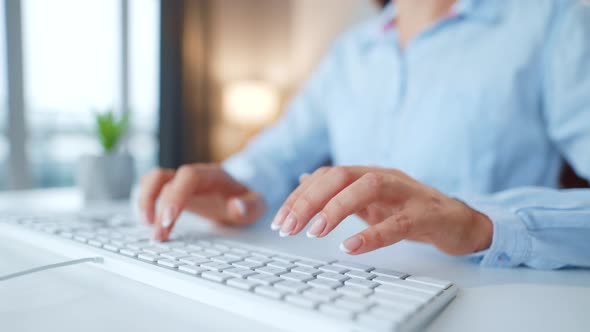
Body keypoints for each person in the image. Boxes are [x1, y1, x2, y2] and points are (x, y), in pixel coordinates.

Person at [139, 0, 590, 269]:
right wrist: (237, 185)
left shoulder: (553, 21)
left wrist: (480, 223)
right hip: (344, 288)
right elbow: (276, 156)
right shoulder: (350, 50)